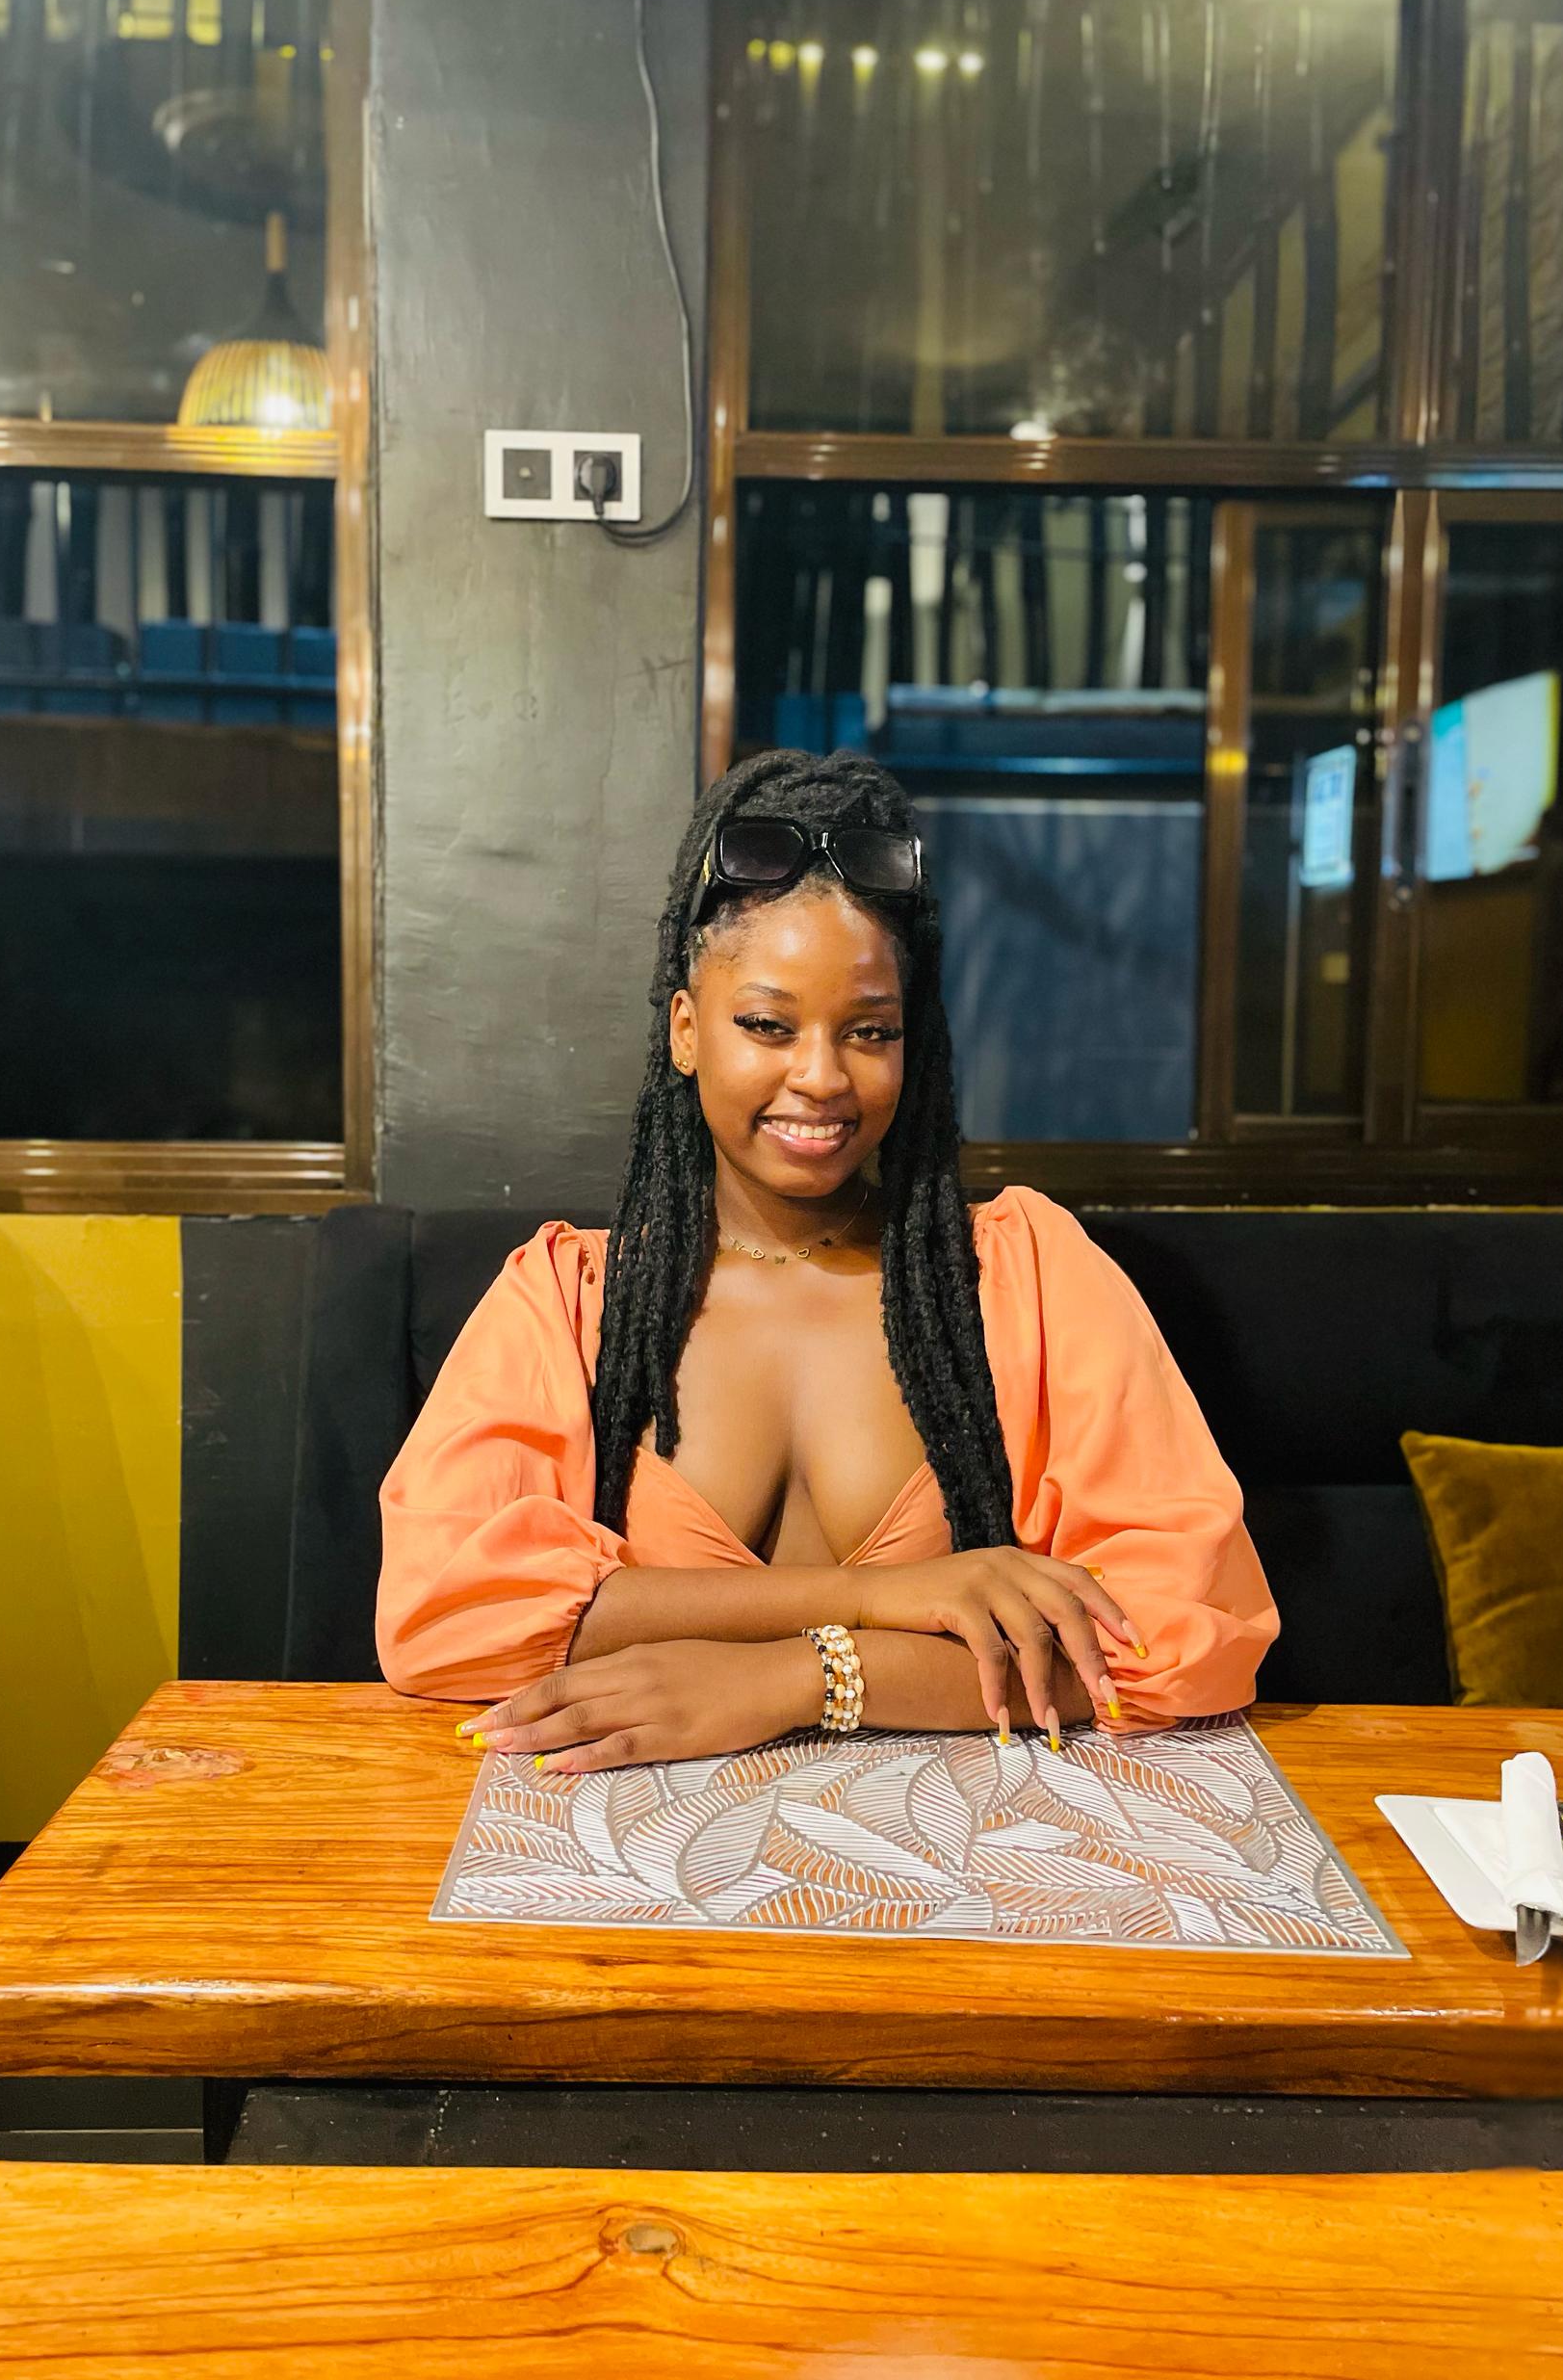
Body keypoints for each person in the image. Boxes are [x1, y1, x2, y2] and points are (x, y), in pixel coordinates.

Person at [378, 750, 1277, 1773]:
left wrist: (803, 1677)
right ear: (686, 1030)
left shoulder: (1025, 1277)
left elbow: (1182, 1634)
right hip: (631, 1853)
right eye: (767, 1025)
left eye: (870, 1031)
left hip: (964, 1847)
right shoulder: (567, 1302)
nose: (821, 1076)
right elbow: (442, 1617)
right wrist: (878, 1597)